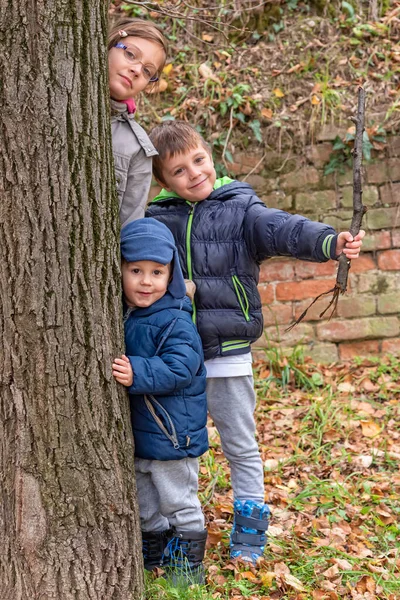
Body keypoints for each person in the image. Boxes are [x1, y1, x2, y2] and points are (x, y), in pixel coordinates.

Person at [146, 120, 365, 565]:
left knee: (240, 444)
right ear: (163, 182)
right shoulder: (156, 219)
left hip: (227, 355)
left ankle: (250, 528)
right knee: (176, 446)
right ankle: (181, 530)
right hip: (174, 360)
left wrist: (329, 241)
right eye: (179, 171)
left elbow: (283, 229)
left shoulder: (240, 208)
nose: (194, 173)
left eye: (199, 160)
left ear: (211, 156)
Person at [112, 218, 208, 583]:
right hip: (144, 435)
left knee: (178, 502)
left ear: (172, 275)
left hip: (173, 435)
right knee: (146, 505)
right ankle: (154, 554)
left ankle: (188, 569)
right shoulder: (130, 314)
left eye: (157, 272)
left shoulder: (174, 319)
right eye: (135, 270)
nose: (146, 281)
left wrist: (139, 371)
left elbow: (183, 366)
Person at [108, 18, 168, 227]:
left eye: (147, 72)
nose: (136, 70)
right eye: (130, 54)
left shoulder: (138, 149)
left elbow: (128, 227)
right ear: (110, 44)